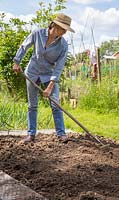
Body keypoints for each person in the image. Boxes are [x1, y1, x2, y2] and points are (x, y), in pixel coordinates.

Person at [13, 13, 75, 143]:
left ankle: (61, 134)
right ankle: (31, 134)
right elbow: (24, 46)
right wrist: (17, 62)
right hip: (32, 72)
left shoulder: (63, 45)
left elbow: (59, 67)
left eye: (65, 30)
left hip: (49, 75)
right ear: (55, 25)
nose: (64, 32)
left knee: (55, 104)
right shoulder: (38, 33)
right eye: (63, 28)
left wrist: (50, 86)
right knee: (32, 105)